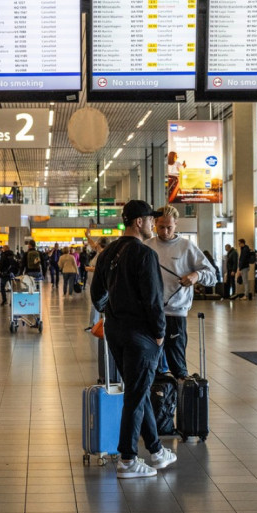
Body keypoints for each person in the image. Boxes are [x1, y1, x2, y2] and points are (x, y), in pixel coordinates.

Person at [90, 199, 176, 479]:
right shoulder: (144, 254)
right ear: (138, 222)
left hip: (115, 331)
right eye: (150, 220)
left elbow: (97, 296)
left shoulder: (107, 252)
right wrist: (160, 333)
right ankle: (127, 459)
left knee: (138, 390)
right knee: (135, 396)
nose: (153, 224)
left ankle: (156, 450)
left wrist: (112, 311)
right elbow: (153, 300)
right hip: (142, 335)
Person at [145, 205, 217, 378]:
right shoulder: (147, 247)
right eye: (160, 226)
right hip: (150, 314)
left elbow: (212, 275)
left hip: (176, 315)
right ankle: (155, 402)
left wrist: (196, 275)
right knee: (148, 367)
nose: (164, 231)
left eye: (169, 227)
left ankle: (182, 399)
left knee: (178, 366)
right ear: (155, 223)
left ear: (176, 224)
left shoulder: (186, 247)